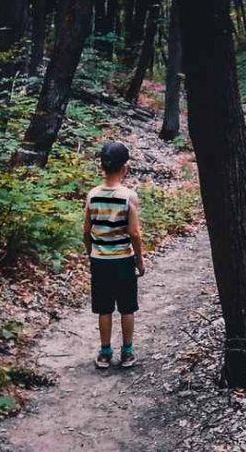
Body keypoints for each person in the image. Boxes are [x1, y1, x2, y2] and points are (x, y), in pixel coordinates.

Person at [84, 141, 145, 369]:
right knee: (127, 308)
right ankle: (127, 352)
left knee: (104, 308)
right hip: (123, 260)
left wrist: (91, 253)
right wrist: (139, 260)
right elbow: (135, 233)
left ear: (102, 166)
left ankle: (105, 352)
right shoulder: (128, 197)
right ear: (125, 168)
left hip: (100, 261)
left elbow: (86, 231)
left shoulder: (92, 195)